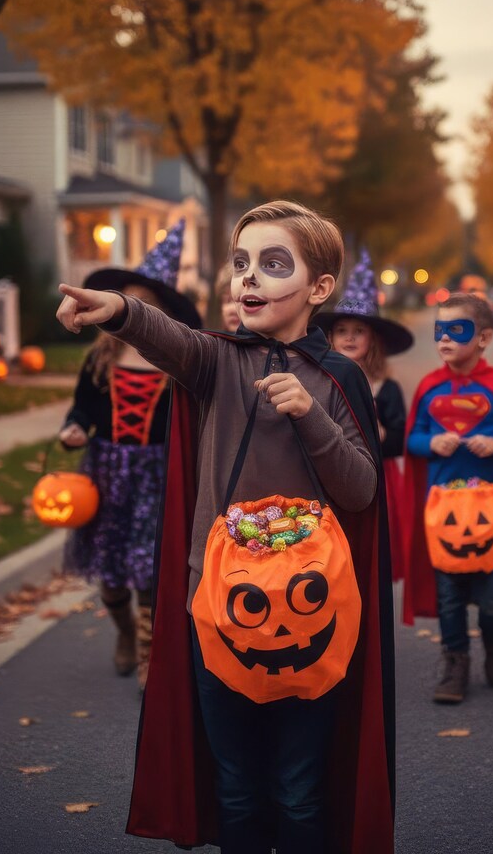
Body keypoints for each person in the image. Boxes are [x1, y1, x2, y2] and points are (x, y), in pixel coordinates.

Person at [56, 200, 395, 854]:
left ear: (319, 288)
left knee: (299, 788)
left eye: (273, 264)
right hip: (218, 608)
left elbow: (361, 490)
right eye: (241, 263)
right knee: (236, 785)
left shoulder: (338, 378)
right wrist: (119, 310)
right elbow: (166, 335)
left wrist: (311, 416)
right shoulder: (215, 361)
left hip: (311, 612)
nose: (249, 278)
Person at [58, 220, 201, 690]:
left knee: (148, 571)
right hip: (108, 472)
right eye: (129, 301)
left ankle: (146, 653)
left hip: (156, 474)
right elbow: (82, 406)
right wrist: (74, 428)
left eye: (146, 305)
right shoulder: (101, 358)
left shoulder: (174, 364)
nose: (135, 312)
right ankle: (123, 632)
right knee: (112, 571)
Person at [403, 292, 493, 704]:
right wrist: (432, 443)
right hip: (442, 512)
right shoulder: (429, 388)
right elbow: (413, 440)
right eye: (439, 330)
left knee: (492, 598)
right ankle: (455, 662)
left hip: (490, 514)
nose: (445, 339)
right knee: (448, 595)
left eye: (456, 330)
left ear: (483, 338)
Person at [315, 250, 413, 582]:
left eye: (359, 330)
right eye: (342, 330)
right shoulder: (321, 381)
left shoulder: (386, 387)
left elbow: (400, 440)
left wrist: (382, 433)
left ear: (373, 339)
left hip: (379, 478)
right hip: (330, 476)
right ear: (330, 338)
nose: (350, 337)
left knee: (370, 550)